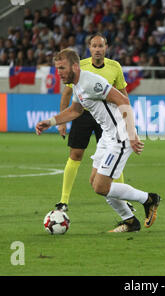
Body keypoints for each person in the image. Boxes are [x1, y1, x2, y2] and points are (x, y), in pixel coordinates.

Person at [36, 48, 161, 233]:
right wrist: (51, 122)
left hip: (120, 135)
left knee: (102, 186)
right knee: (96, 182)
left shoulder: (90, 82)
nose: (59, 73)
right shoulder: (77, 85)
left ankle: (149, 199)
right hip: (107, 136)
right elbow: (76, 110)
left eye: (62, 68)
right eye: (57, 68)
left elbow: (123, 101)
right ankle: (130, 221)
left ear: (75, 67)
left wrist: (132, 135)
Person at [55, 33, 129, 213]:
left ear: (106, 48)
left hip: (106, 118)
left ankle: (124, 201)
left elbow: (122, 94)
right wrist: (60, 121)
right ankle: (64, 200)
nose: (97, 49)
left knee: (112, 156)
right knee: (76, 154)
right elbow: (67, 94)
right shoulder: (80, 66)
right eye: (94, 46)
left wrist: (126, 119)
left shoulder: (115, 67)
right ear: (89, 48)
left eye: (100, 46)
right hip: (83, 114)